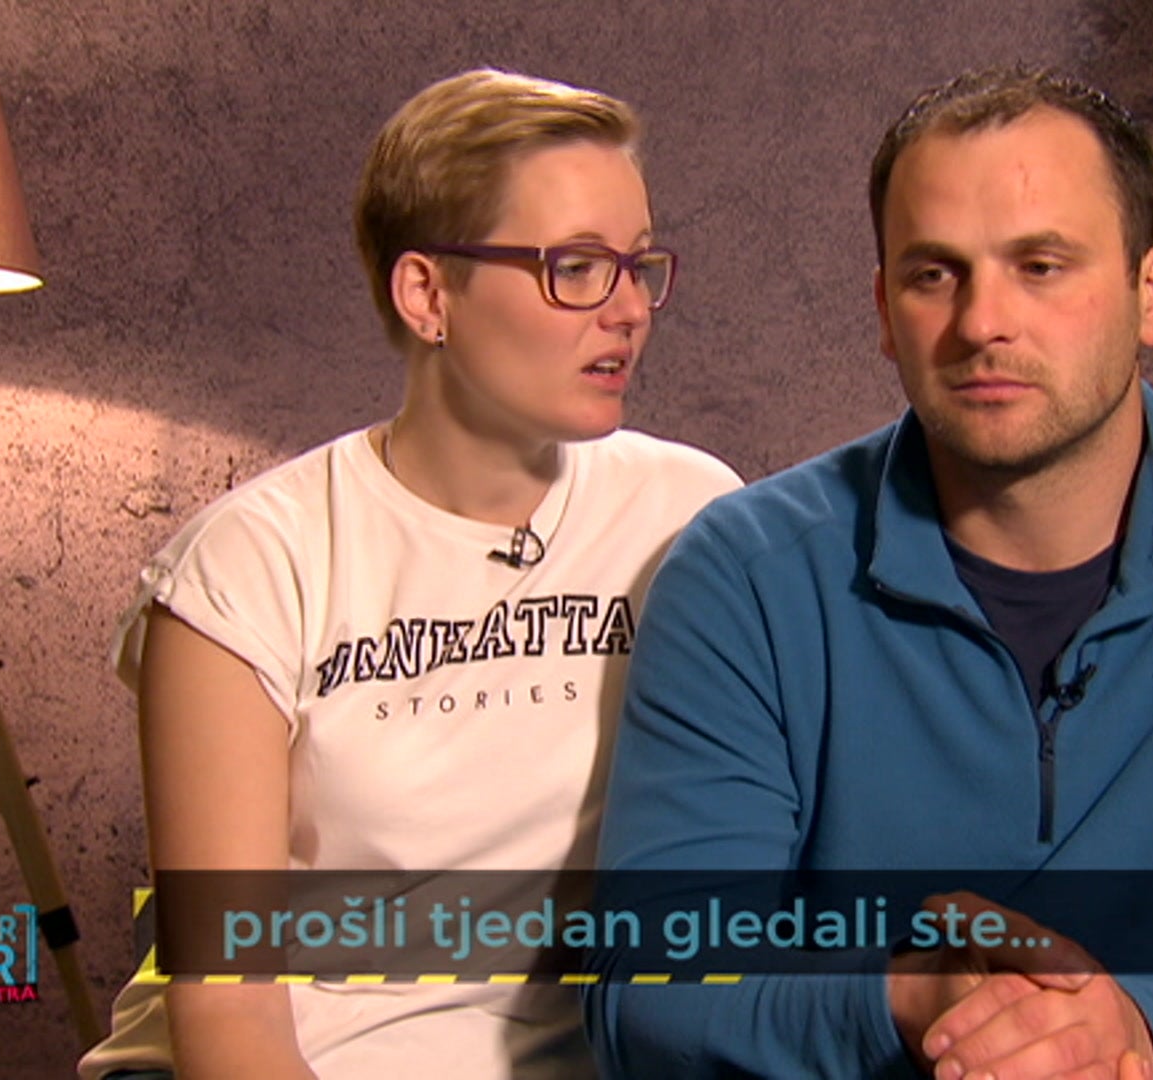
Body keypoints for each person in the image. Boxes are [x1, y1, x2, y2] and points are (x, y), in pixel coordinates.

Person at [584, 65, 1153, 1078]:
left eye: (1041, 265)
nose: (984, 321)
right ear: (884, 309)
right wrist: (905, 998)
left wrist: (1137, 1038)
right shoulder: (742, 577)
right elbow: (650, 989)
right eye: (934, 275)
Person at [77, 69, 740, 1079]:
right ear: (428, 294)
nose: (628, 311)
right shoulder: (250, 565)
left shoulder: (689, 513)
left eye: (638, 266)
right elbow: (228, 1012)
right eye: (575, 267)